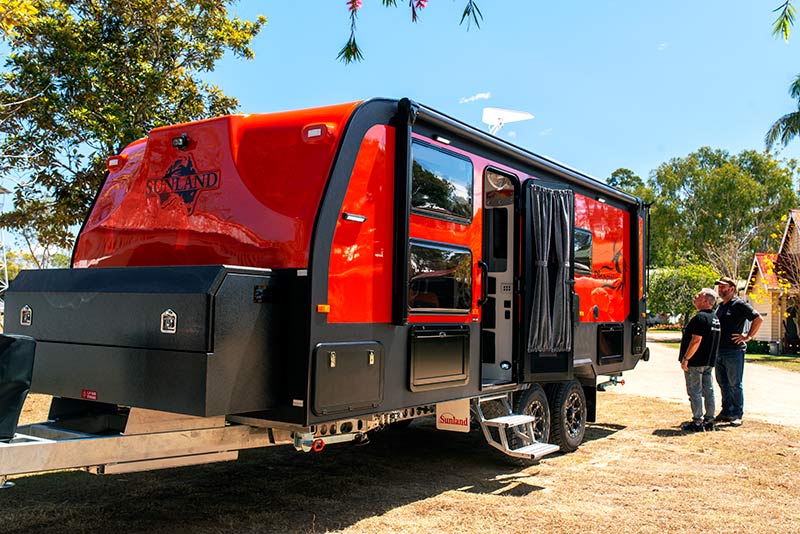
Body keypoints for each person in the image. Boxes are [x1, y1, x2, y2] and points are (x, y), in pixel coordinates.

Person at [714, 276, 763, 427]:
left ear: (732, 289)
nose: (720, 289)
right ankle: (726, 411)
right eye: (719, 287)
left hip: (733, 351)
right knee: (723, 382)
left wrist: (748, 336)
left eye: (723, 286)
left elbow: (758, 319)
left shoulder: (739, 304)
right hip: (719, 350)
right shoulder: (721, 306)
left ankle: (736, 414)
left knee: (735, 384)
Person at [679, 288, 721, 432]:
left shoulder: (700, 318)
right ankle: (709, 420)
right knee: (708, 390)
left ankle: (697, 422)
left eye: (699, 295)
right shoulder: (715, 318)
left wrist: (686, 358)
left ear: (705, 300)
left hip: (695, 361)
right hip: (708, 361)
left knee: (695, 391)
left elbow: (696, 340)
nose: (695, 296)